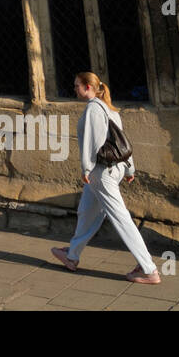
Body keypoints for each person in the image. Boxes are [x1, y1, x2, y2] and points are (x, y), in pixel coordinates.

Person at [50, 71, 161, 284]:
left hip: (102, 171)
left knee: (120, 217)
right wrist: (129, 169)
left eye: (77, 86)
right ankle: (72, 256)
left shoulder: (93, 109)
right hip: (114, 168)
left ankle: (149, 269)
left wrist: (86, 168)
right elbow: (123, 142)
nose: (74, 89)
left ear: (88, 87)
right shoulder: (110, 109)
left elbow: (94, 142)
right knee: (87, 211)